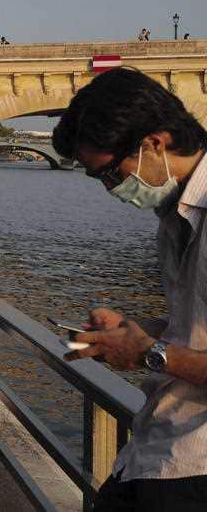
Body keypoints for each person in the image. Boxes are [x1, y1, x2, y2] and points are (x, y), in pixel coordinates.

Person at [51, 67, 207, 511]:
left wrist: (149, 353)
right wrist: (133, 330)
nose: (110, 189)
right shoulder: (176, 216)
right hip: (158, 452)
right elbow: (197, 324)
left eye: (109, 173)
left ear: (154, 143)